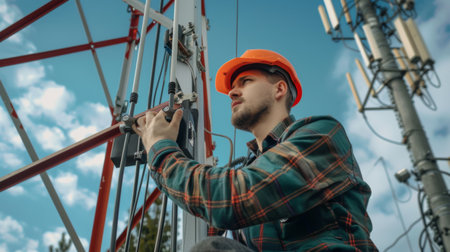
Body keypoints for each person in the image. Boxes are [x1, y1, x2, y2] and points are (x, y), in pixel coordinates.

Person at [133, 49, 377, 251]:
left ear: (279, 89)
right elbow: (217, 203)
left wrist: (160, 150)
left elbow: (234, 198)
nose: (232, 92)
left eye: (245, 82)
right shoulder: (248, 169)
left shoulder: (321, 133)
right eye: (233, 87)